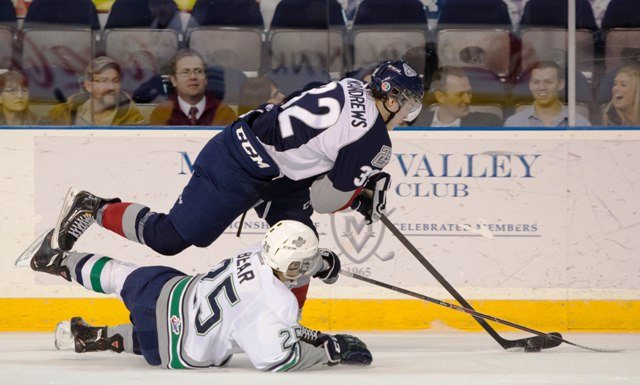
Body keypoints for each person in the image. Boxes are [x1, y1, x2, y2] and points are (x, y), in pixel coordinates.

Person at [51, 59, 423, 306]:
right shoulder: (374, 139)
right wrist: (356, 193)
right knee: (168, 239)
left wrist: (348, 185)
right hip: (240, 164)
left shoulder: (348, 86)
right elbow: (326, 201)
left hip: (264, 159)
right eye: (405, 103)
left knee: (299, 247)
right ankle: (92, 207)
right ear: (388, 96)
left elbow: (299, 115)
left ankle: (285, 328)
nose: (407, 114)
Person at [23, 220, 372, 370]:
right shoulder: (277, 303)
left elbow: (284, 264)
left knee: (121, 274)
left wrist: (320, 262)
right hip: (174, 348)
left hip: (168, 294)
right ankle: (93, 339)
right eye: (305, 263)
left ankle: (57, 261)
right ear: (294, 268)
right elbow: (273, 358)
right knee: (164, 338)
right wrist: (328, 350)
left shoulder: (257, 251)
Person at [48, 56, 146, 126]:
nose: (111, 87)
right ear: (88, 86)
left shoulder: (132, 116)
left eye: (115, 81)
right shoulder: (64, 112)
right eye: (104, 81)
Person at [148, 49, 237, 126]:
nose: (193, 77)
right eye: (185, 72)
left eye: (198, 71)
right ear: (174, 80)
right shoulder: (162, 113)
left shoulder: (224, 113)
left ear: (206, 78)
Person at [504, 60, 591, 127]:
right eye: (536, 82)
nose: (542, 87)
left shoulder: (580, 124)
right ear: (530, 85)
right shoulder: (514, 123)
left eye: (548, 82)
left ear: (561, 84)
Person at [410, 67, 503, 127]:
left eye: (469, 92)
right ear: (440, 97)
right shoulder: (416, 123)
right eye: (460, 95)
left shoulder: (487, 123)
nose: (467, 100)